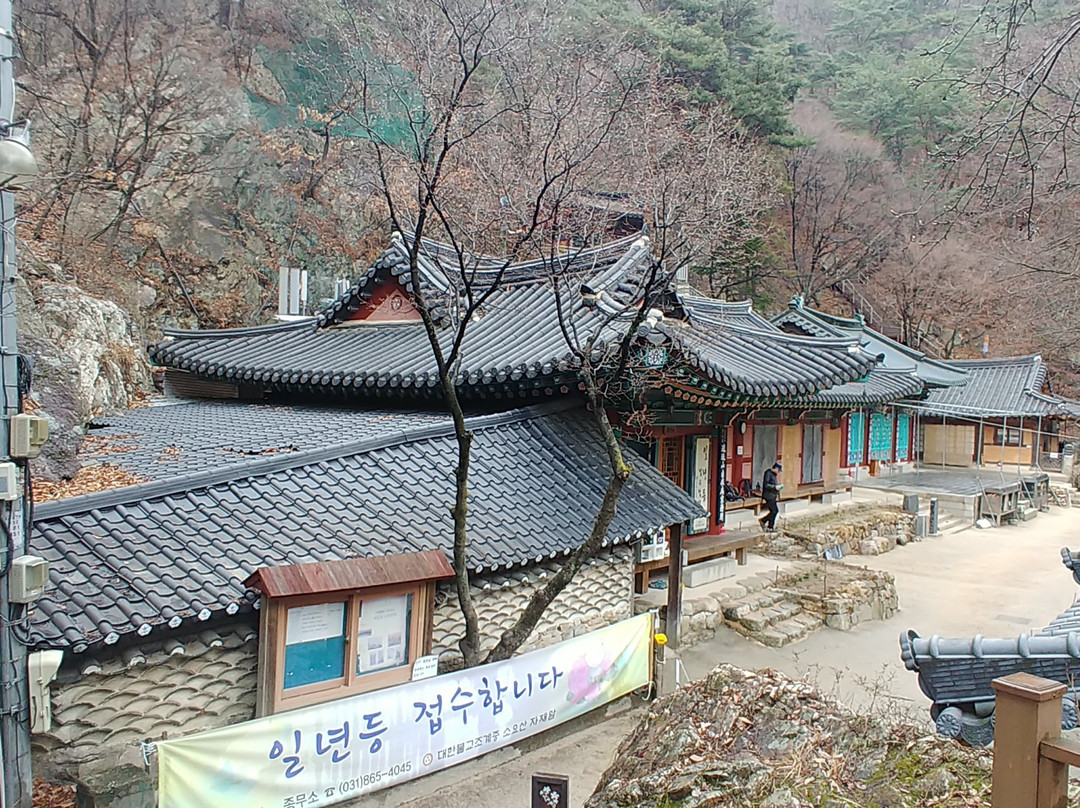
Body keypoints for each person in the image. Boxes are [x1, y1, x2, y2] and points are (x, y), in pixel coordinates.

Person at [759, 461, 782, 531]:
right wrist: (774, 487)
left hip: (773, 495)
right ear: (776, 468)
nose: (778, 472)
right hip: (768, 495)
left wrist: (778, 493)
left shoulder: (774, 475)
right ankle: (764, 521)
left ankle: (770, 526)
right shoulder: (768, 473)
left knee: (774, 511)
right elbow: (766, 485)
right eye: (778, 470)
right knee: (774, 511)